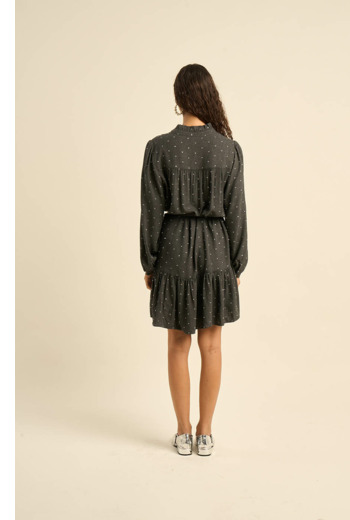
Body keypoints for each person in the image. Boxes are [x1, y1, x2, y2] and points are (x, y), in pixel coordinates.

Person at [139, 64, 248, 456]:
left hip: (173, 247)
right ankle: (206, 433)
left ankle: (182, 432)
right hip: (216, 246)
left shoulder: (158, 148)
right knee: (212, 345)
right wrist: (237, 262)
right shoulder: (228, 149)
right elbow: (236, 211)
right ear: (209, 95)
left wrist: (149, 261)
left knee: (177, 344)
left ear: (178, 97)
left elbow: (151, 210)